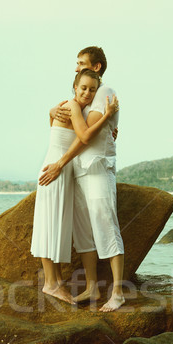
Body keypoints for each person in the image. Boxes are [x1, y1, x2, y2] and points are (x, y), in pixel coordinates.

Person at [39, 46, 125, 312]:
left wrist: (110, 120)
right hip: (78, 170)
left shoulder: (105, 93)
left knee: (105, 223)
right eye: (77, 65)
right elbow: (68, 126)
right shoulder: (84, 98)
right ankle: (91, 285)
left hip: (95, 168)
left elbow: (85, 136)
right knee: (82, 230)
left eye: (81, 63)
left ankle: (118, 293)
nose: (76, 68)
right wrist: (52, 111)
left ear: (96, 68)